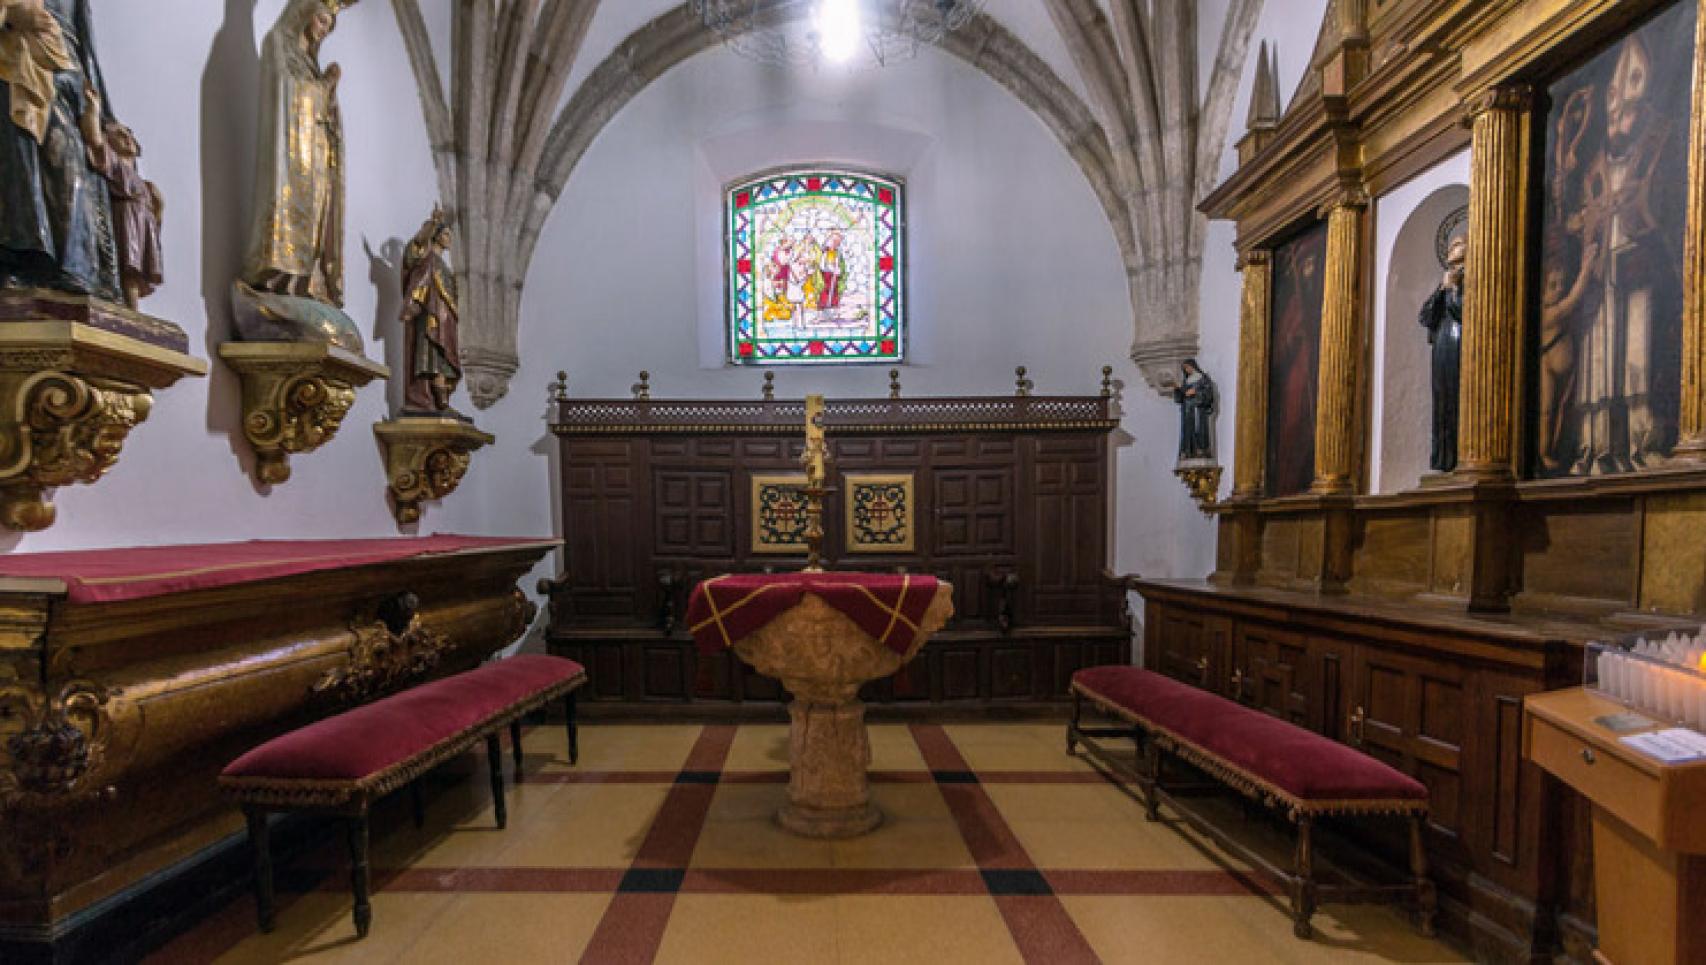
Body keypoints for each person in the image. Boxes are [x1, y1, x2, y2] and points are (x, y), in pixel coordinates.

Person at [0, 0, 122, 300]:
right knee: (16, 126)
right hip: (12, 60)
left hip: (66, 70)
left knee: (66, 156)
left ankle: (77, 264)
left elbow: (87, 50)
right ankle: (26, 254)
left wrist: (107, 117)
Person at [242, 0, 348, 307]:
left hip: (316, 155)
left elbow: (323, 112)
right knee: (290, 207)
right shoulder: (278, 44)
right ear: (305, 14)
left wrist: (328, 94)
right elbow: (286, 91)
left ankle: (308, 280)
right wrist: (323, 87)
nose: (324, 31)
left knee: (318, 216)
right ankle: (280, 277)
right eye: (322, 21)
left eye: (329, 26)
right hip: (290, 155)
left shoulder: (310, 62)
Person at [90, 120, 162, 308]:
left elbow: (155, 220)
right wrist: (93, 109)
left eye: (129, 135)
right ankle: (130, 309)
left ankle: (132, 307)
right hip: (126, 221)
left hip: (141, 225)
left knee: (138, 271)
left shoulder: (143, 183)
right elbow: (95, 142)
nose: (128, 139)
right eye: (120, 135)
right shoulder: (115, 163)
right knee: (129, 268)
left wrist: (158, 207)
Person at [399, 209, 462, 415]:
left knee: (443, 359)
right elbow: (418, 272)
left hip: (446, 319)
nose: (449, 240)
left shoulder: (444, 265)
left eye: (450, 236)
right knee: (432, 356)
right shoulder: (428, 258)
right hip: (430, 318)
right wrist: (412, 305)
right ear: (436, 235)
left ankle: (441, 400)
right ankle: (436, 401)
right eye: (446, 235)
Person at [1418, 236, 1465, 473]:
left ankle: (1461, 458)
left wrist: (1456, 289)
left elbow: (1464, 313)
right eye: (1453, 263)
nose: (1457, 268)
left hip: (1463, 350)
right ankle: (1444, 461)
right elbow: (1425, 317)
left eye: (1462, 262)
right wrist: (1443, 289)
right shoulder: (1445, 287)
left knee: (1460, 403)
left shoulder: (1470, 286)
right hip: (1442, 351)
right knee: (1442, 406)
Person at [1173, 359, 1216, 462]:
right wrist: (1177, 390)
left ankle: (1201, 450)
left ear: (1193, 366)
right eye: (1185, 368)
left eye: (1188, 367)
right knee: (1187, 431)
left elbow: (1209, 395)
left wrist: (1196, 392)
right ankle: (1188, 451)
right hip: (1187, 411)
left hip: (1198, 409)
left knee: (1199, 428)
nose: (1187, 370)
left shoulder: (1203, 378)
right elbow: (1179, 399)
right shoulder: (1186, 381)